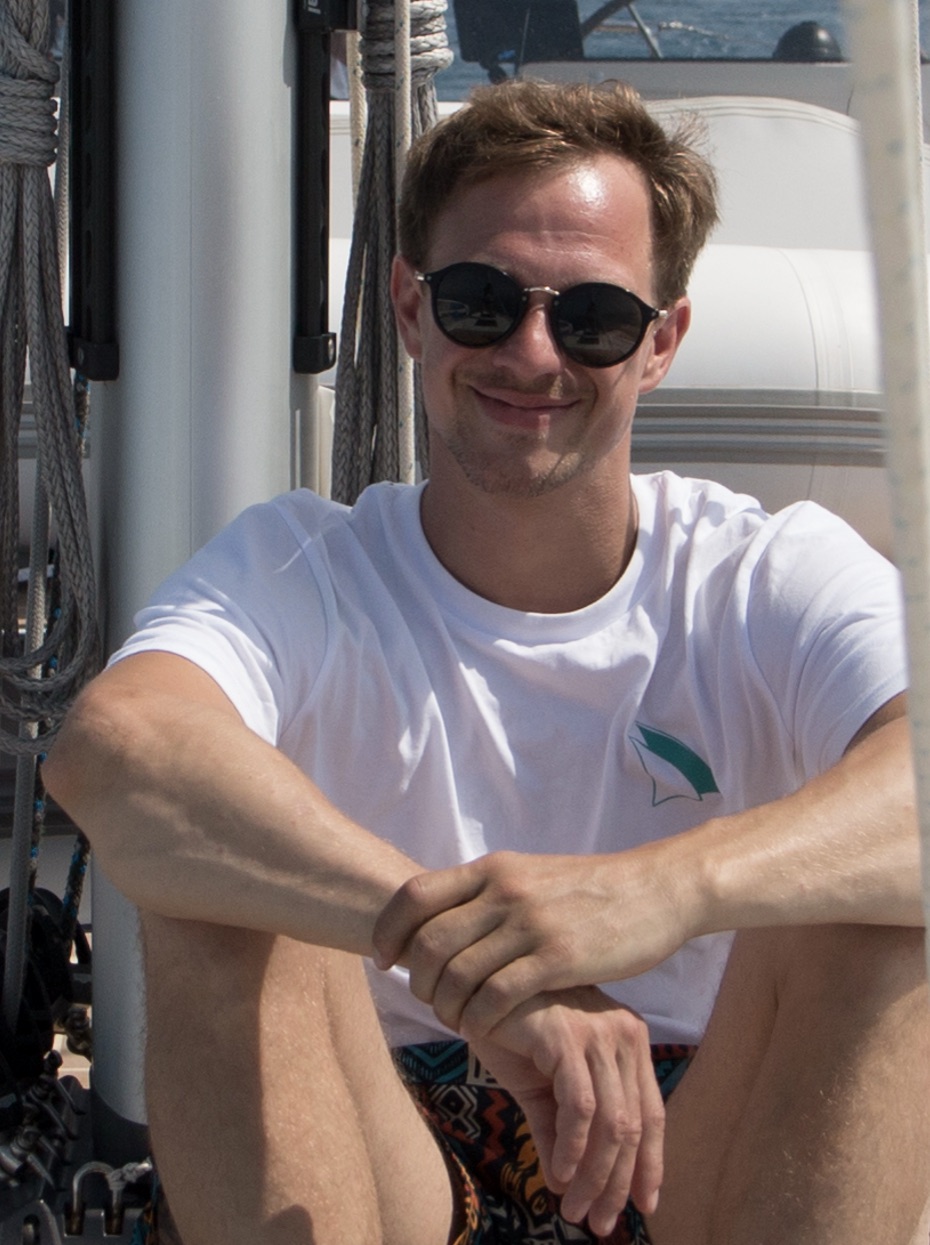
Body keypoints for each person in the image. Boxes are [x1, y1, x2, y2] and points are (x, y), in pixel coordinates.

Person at [44, 79, 930, 1245]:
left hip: (705, 1143)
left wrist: (665, 889)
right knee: (219, 891)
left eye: (594, 319)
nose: (531, 352)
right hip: (381, 1138)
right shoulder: (302, 568)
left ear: (661, 343)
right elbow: (115, 752)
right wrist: (477, 969)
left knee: (878, 909)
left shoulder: (765, 575)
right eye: (481, 302)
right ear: (410, 310)